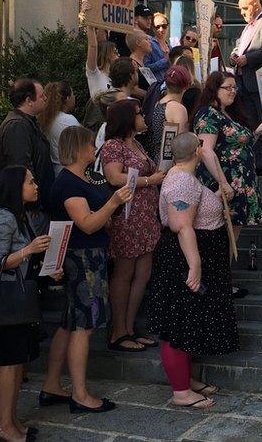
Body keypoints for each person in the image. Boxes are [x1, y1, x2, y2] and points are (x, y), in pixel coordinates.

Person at [40, 126, 131, 413]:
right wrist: (114, 203)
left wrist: (107, 213)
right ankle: (80, 394)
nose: (95, 148)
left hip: (89, 254)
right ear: (78, 148)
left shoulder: (82, 178)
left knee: (70, 324)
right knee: (84, 325)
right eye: (90, 144)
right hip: (81, 258)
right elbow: (87, 223)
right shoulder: (68, 182)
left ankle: (52, 385)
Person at [147, 132, 240, 409]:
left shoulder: (185, 177)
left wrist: (216, 194)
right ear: (198, 151)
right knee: (178, 322)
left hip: (195, 254)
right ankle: (181, 391)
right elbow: (182, 225)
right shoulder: (180, 181)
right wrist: (194, 264)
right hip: (183, 258)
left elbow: (196, 209)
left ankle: (186, 379)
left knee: (188, 320)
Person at [0, 166, 57, 442]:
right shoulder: (4, 217)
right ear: (16, 186)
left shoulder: (20, 215)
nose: (36, 185)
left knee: (17, 363)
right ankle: (3, 425)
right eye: (30, 181)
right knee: (10, 362)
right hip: (9, 298)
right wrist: (29, 250)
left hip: (20, 295)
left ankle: (11, 420)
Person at [101, 100, 164, 352]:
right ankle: (119, 330)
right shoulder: (112, 146)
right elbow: (114, 177)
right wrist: (150, 180)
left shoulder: (137, 144)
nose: (143, 117)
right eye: (139, 113)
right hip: (127, 217)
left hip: (146, 216)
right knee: (124, 273)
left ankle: (130, 326)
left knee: (143, 273)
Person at [194, 72, 262, 240]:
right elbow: (205, 150)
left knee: (231, 239)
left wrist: (256, 133)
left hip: (240, 184)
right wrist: (223, 183)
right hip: (223, 184)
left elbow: (236, 147)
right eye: (228, 87)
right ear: (214, 89)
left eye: (235, 87)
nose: (233, 91)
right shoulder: (208, 114)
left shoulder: (227, 113)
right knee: (222, 242)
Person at [229, 0, 262, 175]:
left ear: (255, 5)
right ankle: (258, 163)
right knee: (253, 122)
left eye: (244, 8)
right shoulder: (246, 28)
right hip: (245, 82)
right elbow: (240, 47)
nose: (242, 13)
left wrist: (248, 59)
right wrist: (234, 55)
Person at [0, 79, 54, 215]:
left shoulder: (27, 123)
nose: (46, 99)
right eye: (42, 96)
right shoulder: (17, 126)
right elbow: (21, 166)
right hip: (28, 207)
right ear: (29, 100)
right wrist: (33, 203)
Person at [148, 66, 193, 164]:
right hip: (172, 162)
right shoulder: (178, 108)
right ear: (186, 86)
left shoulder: (159, 103)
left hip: (158, 157)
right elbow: (181, 144)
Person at [38, 81, 81, 175]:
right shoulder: (68, 121)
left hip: (54, 171)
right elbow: (81, 148)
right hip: (71, 172)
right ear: (67, 98)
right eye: (73, 94)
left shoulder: (45, 119)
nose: (74, 97)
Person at [82, 0, 119, 97]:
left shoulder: (114, 78)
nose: (118, 55)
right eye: (115, 52)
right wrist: (89, 22)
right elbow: (93, 46)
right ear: (107, 54)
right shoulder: (94, 73)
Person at [134, 4, 170, 84]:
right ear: (153, 28)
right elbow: (145, 69)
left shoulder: (170, 46)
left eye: (164, 26)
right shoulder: (148, 44)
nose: (161, 30)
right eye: (157, 27)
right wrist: (165, 61)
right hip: (156, 88)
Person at [123, 29, 153, 99]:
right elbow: (133, 89)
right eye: (146, 39)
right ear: (138, 43)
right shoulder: (132, 64)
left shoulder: (142, 63)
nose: (150, 42)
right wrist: (153, 96)